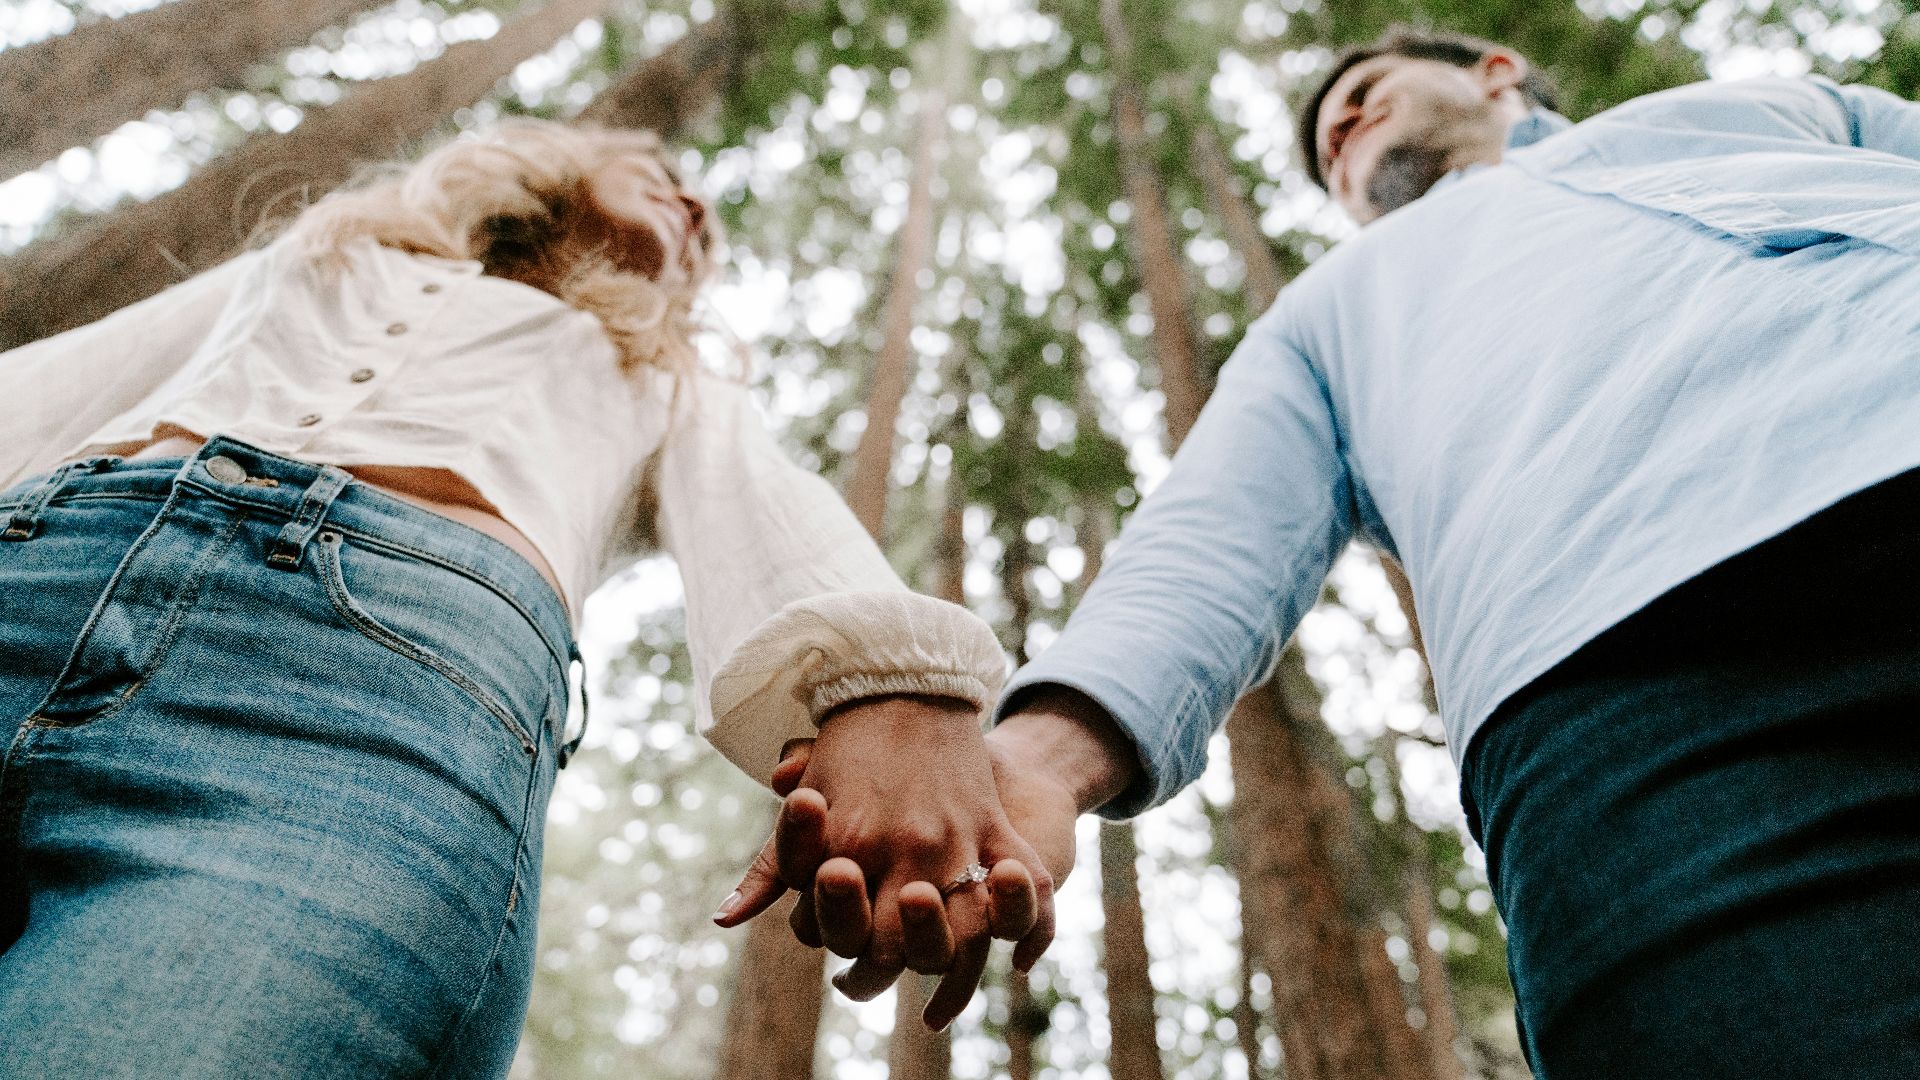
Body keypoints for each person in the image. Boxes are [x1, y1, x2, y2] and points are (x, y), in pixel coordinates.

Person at [732, 27, 1920, 1076]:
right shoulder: (1331, 308)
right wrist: (1038, 762)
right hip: (1635, 719)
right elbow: (1211, 542)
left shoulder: (1771, 108)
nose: (1340, 126)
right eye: (1325, 147)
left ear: (1495, 70)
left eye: (1363, 91)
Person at [0, 119, 1047, 1079]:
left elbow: (759, 499)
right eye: (668, 176)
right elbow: (70, 378)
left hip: (361, 704)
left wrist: (894, 688)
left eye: (706, 226)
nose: (693, 209)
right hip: (33, 558)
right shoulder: (328, 255)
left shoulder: (663, 369)